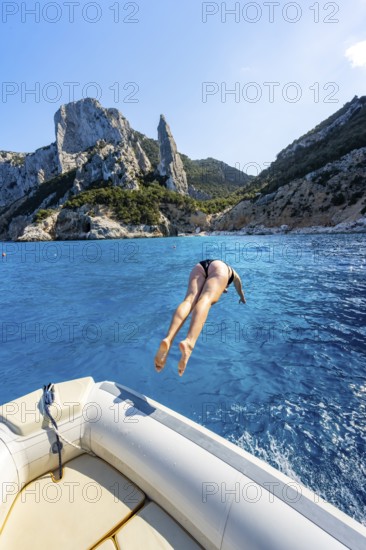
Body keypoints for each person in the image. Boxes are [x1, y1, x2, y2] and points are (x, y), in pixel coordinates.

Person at [154, 259, 246, 377]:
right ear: (226, 286)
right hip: (220, 268)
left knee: (189, 300)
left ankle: (169, 338)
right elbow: (239, 284)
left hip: (200, 265)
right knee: (206, 299)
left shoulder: (226, 270)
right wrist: (242, 297)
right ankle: (189, 343)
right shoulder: (231, 273)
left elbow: (238, 283)